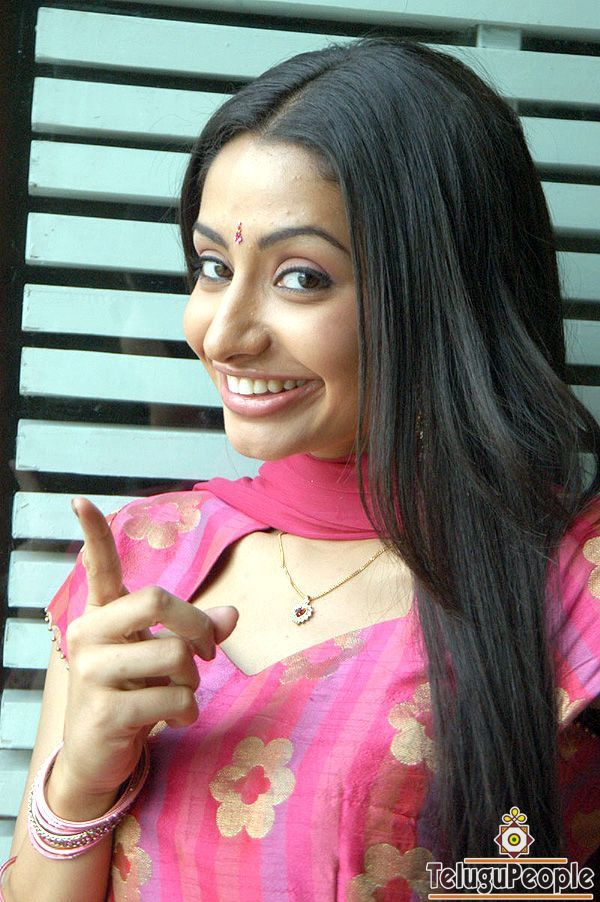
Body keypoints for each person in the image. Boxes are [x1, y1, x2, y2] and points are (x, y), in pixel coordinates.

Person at [2, 35, 600, 902]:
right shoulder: (141, 558)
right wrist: (81, 789)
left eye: (301, 278)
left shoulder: (572, 589)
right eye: (214, 266)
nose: (222, 333)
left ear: (443, 291)